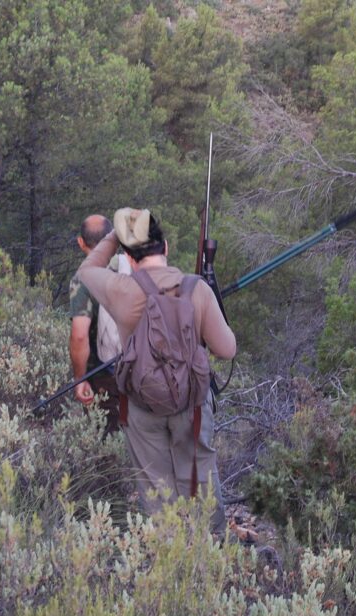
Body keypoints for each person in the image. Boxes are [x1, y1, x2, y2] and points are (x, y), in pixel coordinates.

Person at [77, 208, 236, 533]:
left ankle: (164, 557)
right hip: (191, 402)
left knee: (154, 484)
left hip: (141, 404)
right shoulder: (196, 289)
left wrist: (116, 233)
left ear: (129, 258)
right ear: (165, 249)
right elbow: (227, 349)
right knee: (200, 473)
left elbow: (87, 268)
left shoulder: (120, 290)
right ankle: (213, 551)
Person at [68, 214, 122, 433]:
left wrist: (80, 378)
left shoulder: (83, 279)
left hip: (102, 375)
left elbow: (79, 335)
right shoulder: (133, 268)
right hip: (141, 371)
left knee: (106, 440)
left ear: (81, 242)